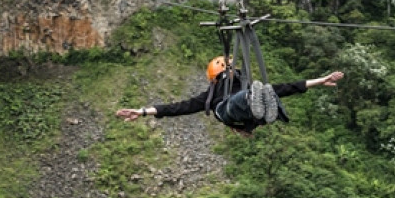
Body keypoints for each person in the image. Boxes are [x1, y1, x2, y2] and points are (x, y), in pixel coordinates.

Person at [116, 56, 344, 135]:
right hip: (229, 109)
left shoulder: (242, 83)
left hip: (246, 113)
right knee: (244, 99)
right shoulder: (211, 94)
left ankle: (265, 109)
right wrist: (144, 111)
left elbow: (290, 87)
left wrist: (320, 80)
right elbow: (178, 107)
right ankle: (258, 104)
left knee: (270, 91)